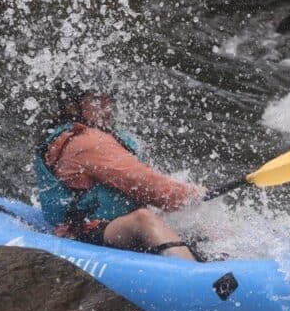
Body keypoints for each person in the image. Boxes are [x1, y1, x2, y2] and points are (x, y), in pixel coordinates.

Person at [34, 83, 204, 261]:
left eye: (109, 100)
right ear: (72, 105)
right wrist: (191, 194)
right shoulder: (88, 143)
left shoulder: (91, 132)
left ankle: (228, 260)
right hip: (83, 231)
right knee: (144, 219)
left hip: (112, 224)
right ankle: (194, 274)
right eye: (97, 100)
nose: (107, 108)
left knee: (196, 224)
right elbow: (151, 188)